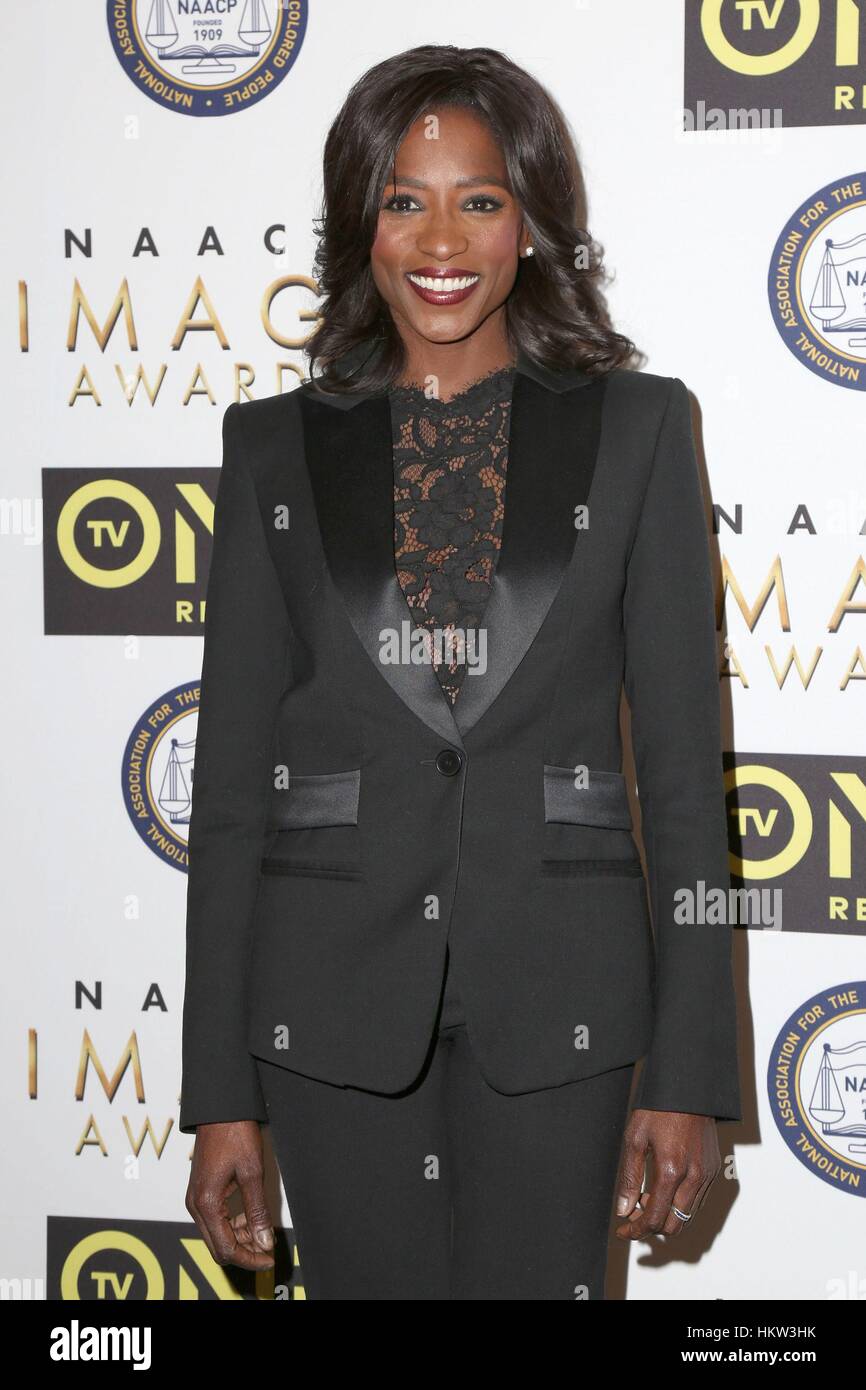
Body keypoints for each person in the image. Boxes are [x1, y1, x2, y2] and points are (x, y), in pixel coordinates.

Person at [180, 44, 741, 1301]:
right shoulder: (270, 450)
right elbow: (226, 796)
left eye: (478, 198)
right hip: (324, 1000)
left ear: (531, 220)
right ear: (357, 225)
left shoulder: (641, 431)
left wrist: (690, 1070)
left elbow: (684, 785)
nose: (441, 237)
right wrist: (217, 1092)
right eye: (401, 198)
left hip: (566, 1005)